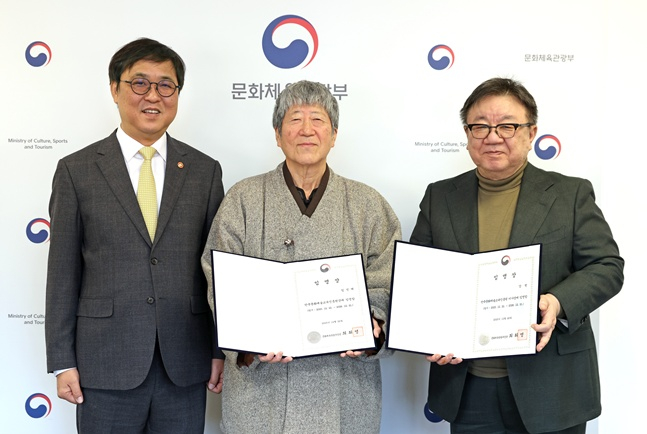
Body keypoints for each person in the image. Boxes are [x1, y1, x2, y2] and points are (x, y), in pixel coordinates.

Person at [410, 77, 624, 433]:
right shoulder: (440, 197)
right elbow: (419, 279)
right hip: (468, 388)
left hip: (553, 387)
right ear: (467, 134)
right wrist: (426, 333)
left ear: (531, 133)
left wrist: (558, 301)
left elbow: (607, 267)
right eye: (480, 126)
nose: (493, 137)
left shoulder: (570, 194)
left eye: (507, 126)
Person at [45, 38, 225, 433]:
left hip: (184, 362)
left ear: (177, 93)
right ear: (115, 89)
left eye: (166, 85)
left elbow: (216, 271)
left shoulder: (204, 171)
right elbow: (62, 272)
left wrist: (218, 350)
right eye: (140, 83)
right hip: (104, 363)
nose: (153, 96)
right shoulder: (77, 171)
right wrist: (62, 360)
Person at [201, 80, 401, 433]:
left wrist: (373, 322)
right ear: (278, 135)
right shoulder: (243, 199)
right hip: (262, 390)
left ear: (334, 135)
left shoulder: (368, 204)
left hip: (342, 388)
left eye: (318, 119)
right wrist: (248, 341)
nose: (307, 130)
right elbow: (218, 275)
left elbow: (388, 278)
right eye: (295, 119)